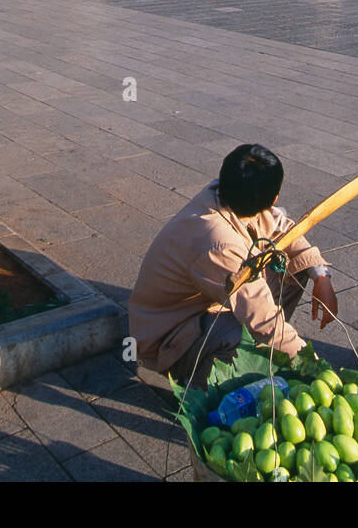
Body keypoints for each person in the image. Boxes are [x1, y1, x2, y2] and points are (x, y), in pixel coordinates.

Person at [128, 144, 336, 388]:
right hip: (169, 336)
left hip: (208, 300)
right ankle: (200, 381)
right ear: (274, 198)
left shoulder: (224, 194)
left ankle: (268, 352)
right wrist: (319, 372)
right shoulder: (219, 244)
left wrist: (322, 276)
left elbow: (285, 229)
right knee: (240, 334)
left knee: (292, 263)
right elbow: (264, 321)